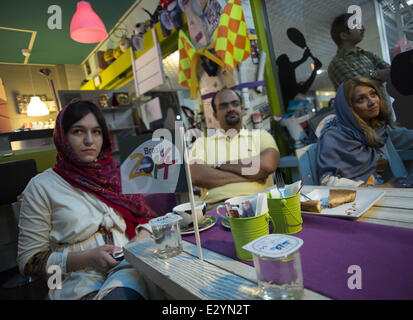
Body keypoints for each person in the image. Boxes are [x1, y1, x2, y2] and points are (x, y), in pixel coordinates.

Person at [17, 100, 157, 300]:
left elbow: (147, 218)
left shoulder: (116, 175)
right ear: (62, 137)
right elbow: (29, 262)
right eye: (78, 131)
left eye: (97, 132)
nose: (90, 140)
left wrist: (139, 239)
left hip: (132, 268)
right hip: (77, 282)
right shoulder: (42, 186)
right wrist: (87, 258)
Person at [189, 88, 280, 210]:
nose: (231, 108)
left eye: (235, 104)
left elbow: (268, 165)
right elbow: (196, 175)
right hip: (217, 208)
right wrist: (254, 174)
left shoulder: (260, 136)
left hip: (258, 204)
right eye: (223, 106)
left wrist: (220, 165)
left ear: (242, 110)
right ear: (215, 115)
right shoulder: (202, 143)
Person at [317, 77, 413, 187]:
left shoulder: (379, 129)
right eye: (361, 100)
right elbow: (327, 181)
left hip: (399, 190)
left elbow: (405, 137)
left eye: (373, 94)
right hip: (361, 200)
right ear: (348, 108)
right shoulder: (334, 137)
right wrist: (378, 188)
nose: (372, 102)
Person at [328, 14, 390, 92]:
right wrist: (379, 75)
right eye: (356, 25)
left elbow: (392, 72)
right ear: (344, 35)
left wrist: (371, 75)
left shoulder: (368, 55)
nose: (363, 28)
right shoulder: (337, 63)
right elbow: (361, 89)